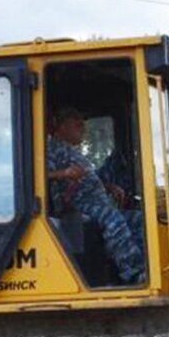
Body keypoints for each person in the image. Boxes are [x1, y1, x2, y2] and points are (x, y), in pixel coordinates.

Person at [46, 107, 145, 284]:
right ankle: (133, 273)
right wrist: (65, 173)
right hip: (75, 203)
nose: (82, 127)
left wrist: (108, 186)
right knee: (111, 217)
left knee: (139, 219)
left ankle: (143, 267)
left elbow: (87, 178)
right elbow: (38, 175)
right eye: (76, 122)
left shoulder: (74, 152)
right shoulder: (50, 148)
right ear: (61, 126)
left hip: (97, 202)